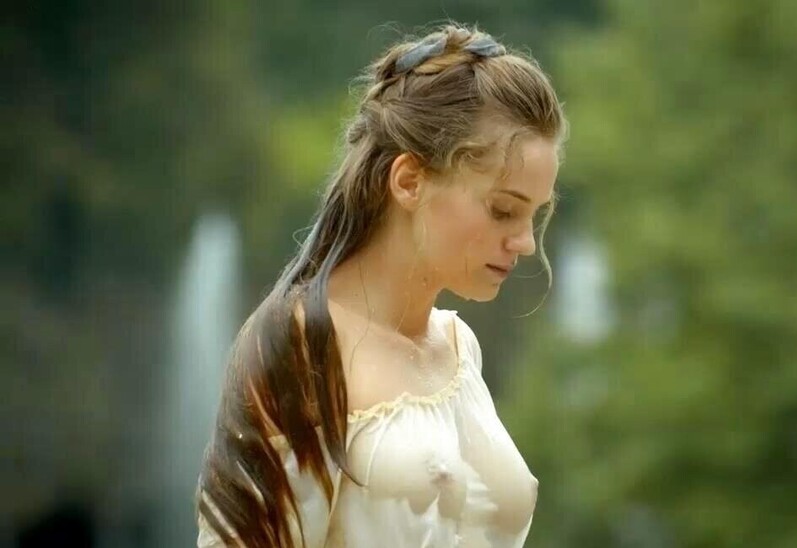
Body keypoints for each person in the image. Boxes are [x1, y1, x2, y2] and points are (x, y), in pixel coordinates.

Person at [195, 23, 566, 548]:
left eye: (535, 215)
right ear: (409, 181)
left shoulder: (459, 347)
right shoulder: (304, 347)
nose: (525, 242)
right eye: (503, 210)